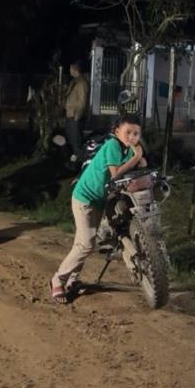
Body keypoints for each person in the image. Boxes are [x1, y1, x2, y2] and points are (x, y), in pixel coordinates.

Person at [50, 114, 147, 304]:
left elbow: (139, 167)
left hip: (98, 200)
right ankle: (57, 279)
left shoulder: (129, 149)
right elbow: (115, 174)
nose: (132, 137)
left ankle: (73, 280)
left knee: (84, 242)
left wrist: (139, 159)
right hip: (84, 198)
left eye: (136, 133)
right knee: (86, 244)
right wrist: (137, 158)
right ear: (116, 131)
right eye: (127, 132)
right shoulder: (112, 145)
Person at [64, 60, 90, 163]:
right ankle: (74, 162)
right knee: (71, 140)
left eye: (70, 68)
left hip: (75, 116)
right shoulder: (75, 81)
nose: (69, 70)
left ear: (75, 69)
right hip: (71, 115)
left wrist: (77, 115)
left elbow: (82, 100)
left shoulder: (82, 82)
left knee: (76, 142)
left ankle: (81, 163)